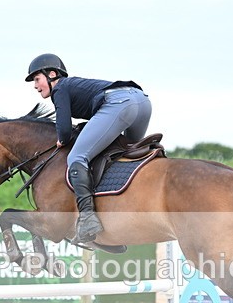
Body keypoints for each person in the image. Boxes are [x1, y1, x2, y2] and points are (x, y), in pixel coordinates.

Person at [25, 53, 152, 244]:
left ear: (52, 74)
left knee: (76, 157)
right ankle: (118, 222)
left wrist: (62, 139)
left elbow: (65, 132)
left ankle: (88, 219)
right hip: (142, 101)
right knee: (124, 155)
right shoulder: (73, 86)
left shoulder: (60, 88)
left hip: (119, 103)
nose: (35, 86)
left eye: (37, 79)